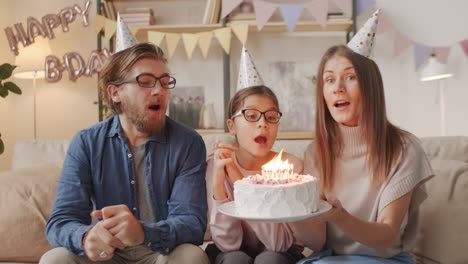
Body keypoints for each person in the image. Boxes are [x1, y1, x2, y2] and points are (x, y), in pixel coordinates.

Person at [40, 42, 209, 264]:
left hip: (161, 253)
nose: (159, 91)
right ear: (115, 92)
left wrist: (143, 232)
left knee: (192, 257)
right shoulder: (86, 142)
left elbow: (191, 223)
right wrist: (86, 238)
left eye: (165, 83)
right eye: (146, 82)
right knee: (55, 259)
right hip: (105, 255)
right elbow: (60, 221)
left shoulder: (188, 143)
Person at [293, 43, 434, 263]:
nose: (338, 87)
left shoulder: (404, 148)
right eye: (329, 80)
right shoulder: (314, 153)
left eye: (350, 77)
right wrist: (294, 209)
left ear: (370, 86)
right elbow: (317, 243)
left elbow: (386, 235)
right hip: (329, 259)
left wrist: (341, 217)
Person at [205, 85, 305, 264]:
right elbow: (228, 245)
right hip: (231, 254)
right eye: (251, 116)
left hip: (280, 254)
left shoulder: (289, 168)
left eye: (271, 117)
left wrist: (240, 182)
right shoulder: (217, 165)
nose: (262, 123)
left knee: (270, 260)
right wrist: (219, 186)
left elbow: (279, 244)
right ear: (231, 126)